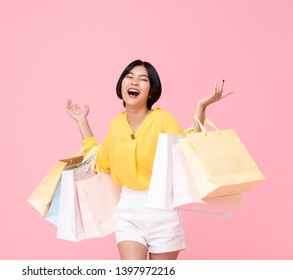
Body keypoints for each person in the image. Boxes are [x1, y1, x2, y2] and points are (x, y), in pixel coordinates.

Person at [66, 59, 232, 260]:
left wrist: (201, 108)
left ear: (152, 92)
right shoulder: (116, 124)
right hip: (127, 213)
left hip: (163, 214)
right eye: (129, 77)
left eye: (142, 79)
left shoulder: (163, 120)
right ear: (121, 86)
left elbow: (187, 152)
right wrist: (83, 122)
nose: (134, 82)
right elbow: (100, 161)